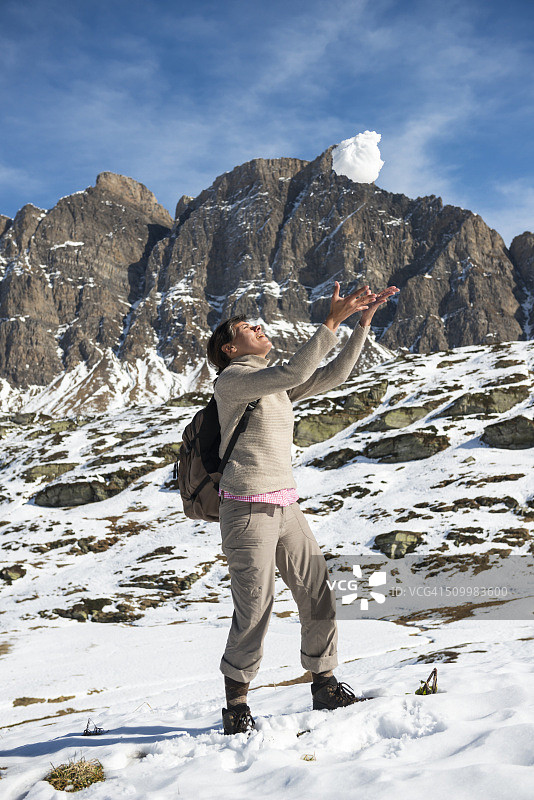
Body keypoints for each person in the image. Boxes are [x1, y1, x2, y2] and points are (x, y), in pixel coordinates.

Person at [206, 280, 399, 735]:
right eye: (248, 327)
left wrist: (361, 325)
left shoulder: (272, 387)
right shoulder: (233, 381)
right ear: (232, 348)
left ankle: (324, 684)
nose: (258, 326)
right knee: (255, 608)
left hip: (284, 505)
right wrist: (331, 320)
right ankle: (236, 704)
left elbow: (333, 376)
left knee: (317, 593)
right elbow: (294, 373)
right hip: (247, 509)